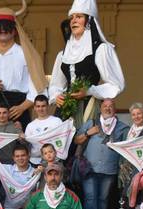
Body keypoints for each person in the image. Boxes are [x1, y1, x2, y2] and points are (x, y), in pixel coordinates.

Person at [48, 0, 125, 128]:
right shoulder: (63, 54)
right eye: (72, 18)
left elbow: (116, 84)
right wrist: (57, 96)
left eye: (79, 17)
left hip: (90, 106)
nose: (73, 21)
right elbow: (55, 85)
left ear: (89, 21)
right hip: (66, 109)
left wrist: (89, 90)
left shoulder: (101, 49)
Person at [73, 98, 127, 209]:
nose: (108, 108)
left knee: (103, 199)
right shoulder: (91, 123)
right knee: (90, 198)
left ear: (115, 109)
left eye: (111, 106)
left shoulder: (122, 127)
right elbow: (76, 140)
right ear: (100, 108)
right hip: (89, 169)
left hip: (109, 169)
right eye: (105, 106)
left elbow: (127, 147)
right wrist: (87, 133)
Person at [21, 163, 85, 209]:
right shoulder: (36, 196)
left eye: (56, 174)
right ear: (45, 177)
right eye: (50, 174)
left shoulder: (71, 196)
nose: (53, 177)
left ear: (61, 177)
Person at [118, 102, 143, 192]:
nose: (136, 117)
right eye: (133, 114)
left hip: (141, 167)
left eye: (139, 113)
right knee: (127, 193)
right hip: (127, 168)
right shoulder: (128, 130)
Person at [25, 95, 62, 165]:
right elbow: (27, 145)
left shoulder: (57, 121)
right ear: (34, 108)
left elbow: (62, 140)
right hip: (35, 161)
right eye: (38, 106)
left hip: (55, 160)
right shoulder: (30, 126)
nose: (41, 109)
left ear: (48, 106)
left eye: (43, 106)